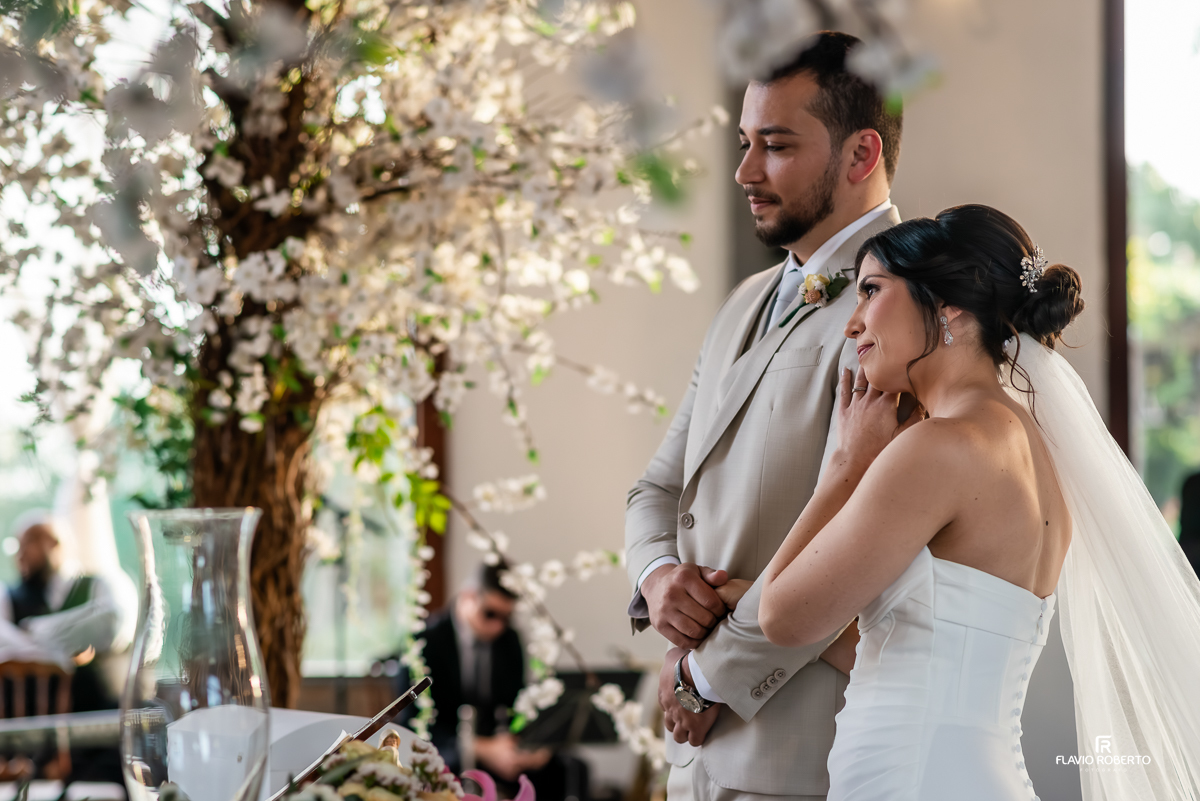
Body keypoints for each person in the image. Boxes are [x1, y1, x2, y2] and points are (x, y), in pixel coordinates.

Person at [756, 205, 1200, 799]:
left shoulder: (937, 449)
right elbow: (909, 644)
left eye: (871, 291)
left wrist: (845, 467)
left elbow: (782, 619)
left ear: (948, 306)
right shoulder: (1033, 449)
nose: (852, 323)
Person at [624, 31, 903, 801]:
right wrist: (657, 578)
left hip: (806, 752)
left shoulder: (907, 308)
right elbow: (655, 487)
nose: (745, 171)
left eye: (775, 146)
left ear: (860, 154)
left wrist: (704, 678)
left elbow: (856, 553)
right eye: (745, 143)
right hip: (695, 764)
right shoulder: (745, 300)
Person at [406, 561, 576, 799]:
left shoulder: (509, 640)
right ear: (468, 597)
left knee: (564, 769)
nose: (498, 626)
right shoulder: (423, 644)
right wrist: (479, 747)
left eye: (506, 617)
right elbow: (412, 726)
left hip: (498, 750)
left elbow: (515, 706)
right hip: (445, 748)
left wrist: (529, 746)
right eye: (490, 614)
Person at [0, 511, 133, 782]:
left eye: (28, 543)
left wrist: (32, 633)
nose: (19, 554)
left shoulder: (99, 585)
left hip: (97, 744)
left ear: (54, 543)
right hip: (25, 753)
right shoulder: (8, 597)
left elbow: (112, 626)